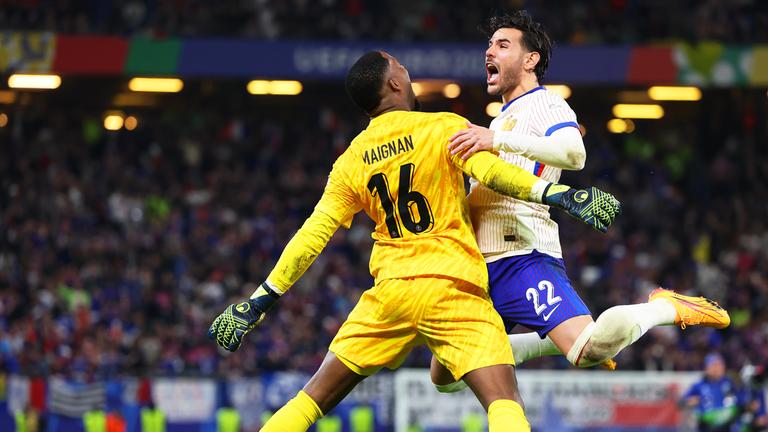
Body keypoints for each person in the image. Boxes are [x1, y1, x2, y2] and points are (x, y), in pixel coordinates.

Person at [208, 50, 620, 432]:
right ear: (393, 84)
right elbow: (494, 174)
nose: (408, 73)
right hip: (453, 287)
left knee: (311, 399)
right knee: (504, 401)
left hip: (390, 294)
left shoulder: (351, 160)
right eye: (401, 67)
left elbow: (314, 234)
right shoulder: (442, 127)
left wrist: (260, 299)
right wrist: (560, 195)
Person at [430, 10, 730, 392]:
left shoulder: (545, 105)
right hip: (480, 265)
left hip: (520, 255)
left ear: (530, 60)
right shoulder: (500, 120)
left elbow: (575, 154)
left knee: (587, 350)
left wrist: (498, 142)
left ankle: (664, 307)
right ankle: (545, 342)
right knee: (446, 377)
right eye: (489, 45)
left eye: (502, 45)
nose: (490, 51)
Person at [681, 353, 742, 432]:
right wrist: (689, 402)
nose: (718, 368)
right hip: (706, 427)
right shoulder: (699, 385)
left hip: (728, 427)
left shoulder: (731, 382)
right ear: (707, 368)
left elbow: (742, 401)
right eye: (714, 365)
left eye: (720, 365)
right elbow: (681, 402)